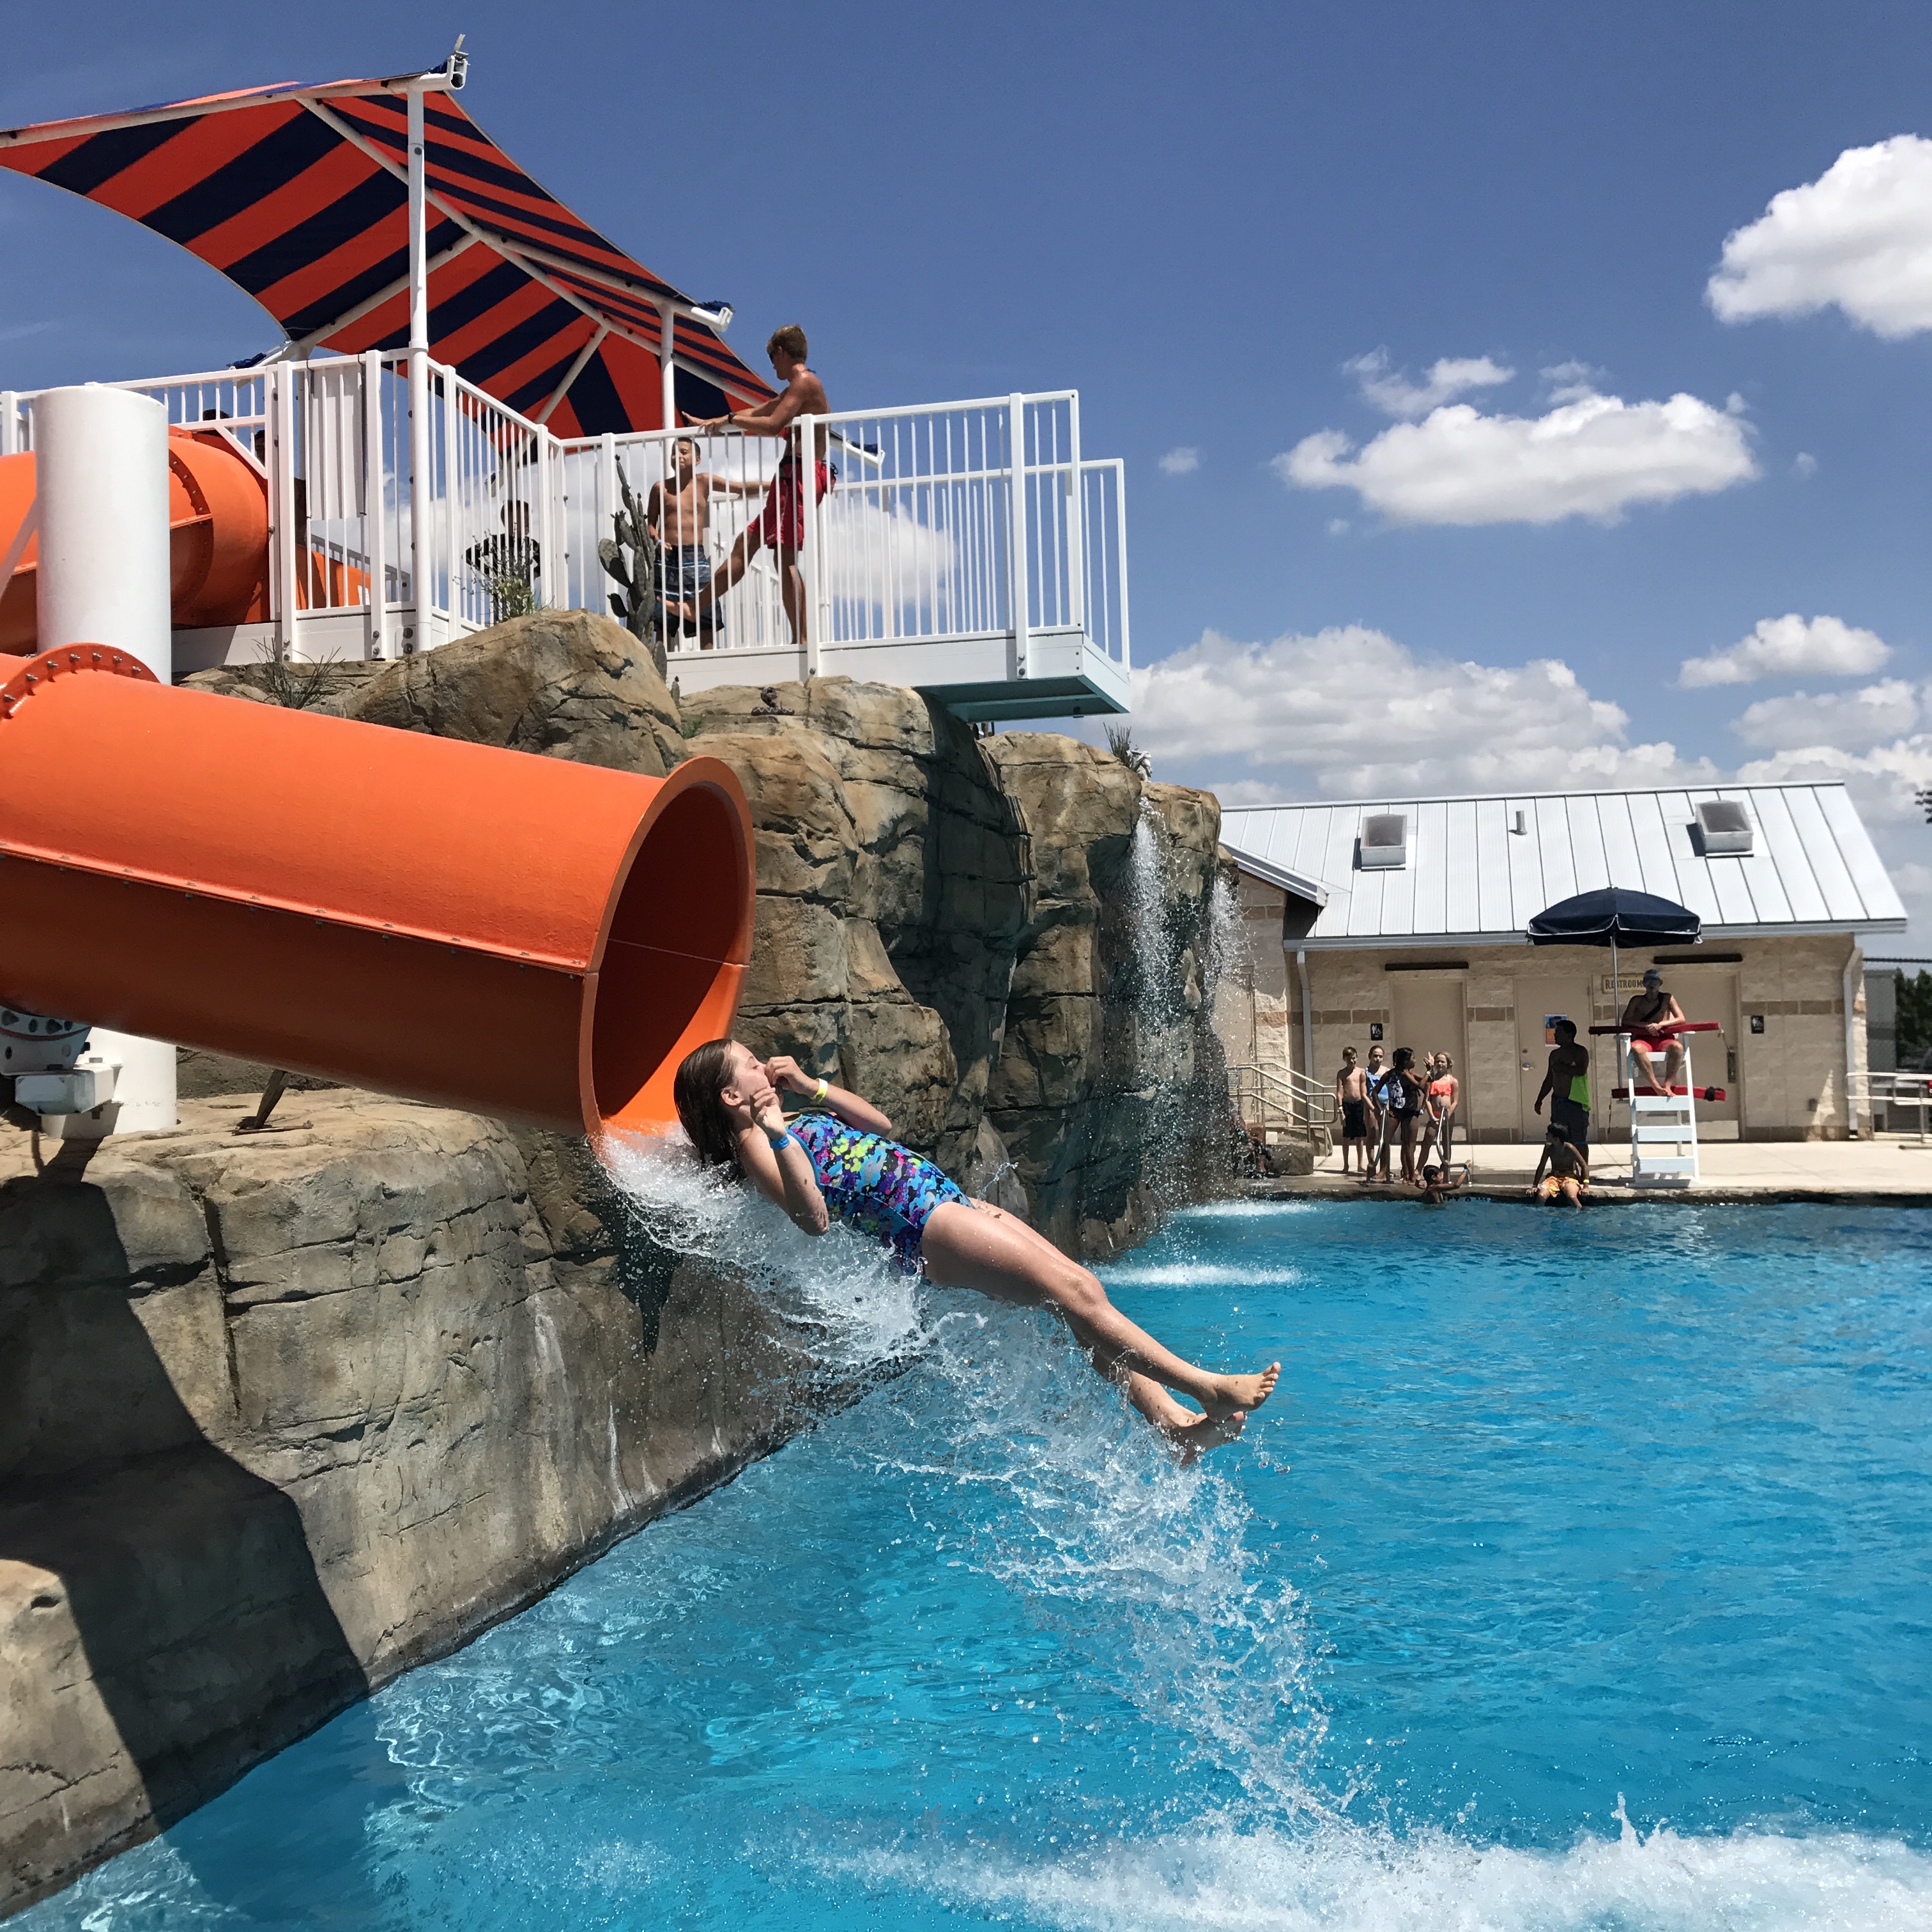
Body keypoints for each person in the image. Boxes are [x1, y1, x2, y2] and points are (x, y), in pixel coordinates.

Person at [673, 1039, 1281, 1457]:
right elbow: (813, 1218)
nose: (764, 1064)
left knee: (1076, 1301)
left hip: (944, 1202)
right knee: (1078, 1294)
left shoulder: (789, 1114)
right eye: (751, 1063)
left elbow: (880, 1126)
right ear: (731, 1096)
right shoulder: (757, 1143)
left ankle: (1172, 1427)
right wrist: (779, 1133)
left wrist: (811, 1087)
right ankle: (1202, 1387)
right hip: (923, 1226)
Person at [689, 325, 834, 648]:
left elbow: (771, 425)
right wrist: (715, 423)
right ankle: (694, 606)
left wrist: (733, 421)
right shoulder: (796, 388)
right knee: (746, 544)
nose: (772, 367)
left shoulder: (806, 382)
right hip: (789, 478)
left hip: (800, 475)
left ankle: (804, 640)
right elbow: (759, 411)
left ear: (782, 352)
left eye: (773, 359)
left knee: (785, 560)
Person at [646, 437, 767, 649]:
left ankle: (709, 659)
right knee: (663, 616)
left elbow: (739, 488)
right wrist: (657, 541)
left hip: (695, 555)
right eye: (675, 453)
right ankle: (659, 670)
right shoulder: (660, 488)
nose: (679, 457)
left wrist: (774, 485)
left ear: (697, 459)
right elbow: (649, 524)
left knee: (706, 609)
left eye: (684, 452)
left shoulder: (704, 481)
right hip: (666, 557)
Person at [1620, 967, 1687, 1096]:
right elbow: (1626, 1021)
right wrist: (1646, 1026)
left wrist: (1661, 1025)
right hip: (1644, 1038)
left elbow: (1681, 1019)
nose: (1651, 985)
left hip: (1663, 1038)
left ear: (1660, 983)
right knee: (1636, 1049)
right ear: (1643, 984)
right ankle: (1655, 1085)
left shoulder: (1667, 998)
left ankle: (1667, 1086)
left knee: (1678, 1048)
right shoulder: (1637, 1000)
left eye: (1655, 982)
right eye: (1648, 982)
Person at [1533, 1018, 1592, 1151]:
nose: (1555, 1036)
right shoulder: (1554, 1055)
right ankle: (1565, 1168)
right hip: (1558, 1102)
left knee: (1579, 1139)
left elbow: (1581, 1071)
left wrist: (1563, 1068)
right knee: (1559, 1137)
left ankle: (1583, 1170)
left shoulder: (1580, 1052)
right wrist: (1539, 1100)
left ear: (1569, 1035)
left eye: (1558, 1033)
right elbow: (1549, 1079)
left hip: (1575, 1102)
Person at [1377, 1046, 1425, 1186]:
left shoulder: (1410, 1073)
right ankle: (1385, 1170)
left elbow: (1426, 1082)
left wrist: (1430, 1073)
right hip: (1396, 1111)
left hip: (1409, 1112)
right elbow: (1420, 1086)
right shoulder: (1396, 1074)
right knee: (1387, 1140)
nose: (1415, 1060)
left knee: (1408, 1144)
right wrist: (1381, 1109)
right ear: (1405, 1061)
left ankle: (1408, 1174)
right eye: (1413, 1058)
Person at [1529, 1126, 1590, 1207]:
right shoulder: (1548, 1148)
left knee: (1572, 1197)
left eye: (1549, 1134)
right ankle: (1539, 1216)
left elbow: (1584, 1166)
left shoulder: (1570, 1148)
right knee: (1541, 1196)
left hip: (1569, 1178)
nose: (1546, 1135)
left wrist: (1586, 1186)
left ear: (1556, 1138)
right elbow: (1542, 1166)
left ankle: (1581, 1214)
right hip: (1554, 1178)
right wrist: (1535, 1186)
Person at [1420, 1052, 1460, 1172]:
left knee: (1446, 1143)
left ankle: (1445, 1168)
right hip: (1435, 1116)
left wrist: (1447, 1116)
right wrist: (1432, 1116)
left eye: (1443, 1061)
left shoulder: (1453, 1081)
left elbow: (1455, 1102)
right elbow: (1427, 1100)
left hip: (1448, 1116)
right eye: (1438, 1061)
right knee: (1427, 1141)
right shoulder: (1432, 1081)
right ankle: (1418, 1169)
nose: (1440, 1064)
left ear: (1448, 1064)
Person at [1335, 1046, 1370, 1174]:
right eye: (1350, 1059)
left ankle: (1360, 1164)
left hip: (1359, 1104)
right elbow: (1339, 1093)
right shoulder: (1342, 1073)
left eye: (1354, 1058)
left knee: (1360, 1137)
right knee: (1346, 1136)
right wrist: (1341, 1111)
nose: (1353, 1061)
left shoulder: (1361, 1072)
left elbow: (1364, 1091)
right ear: (1345, 1059)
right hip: (1347, 1105)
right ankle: (1346, 1165)